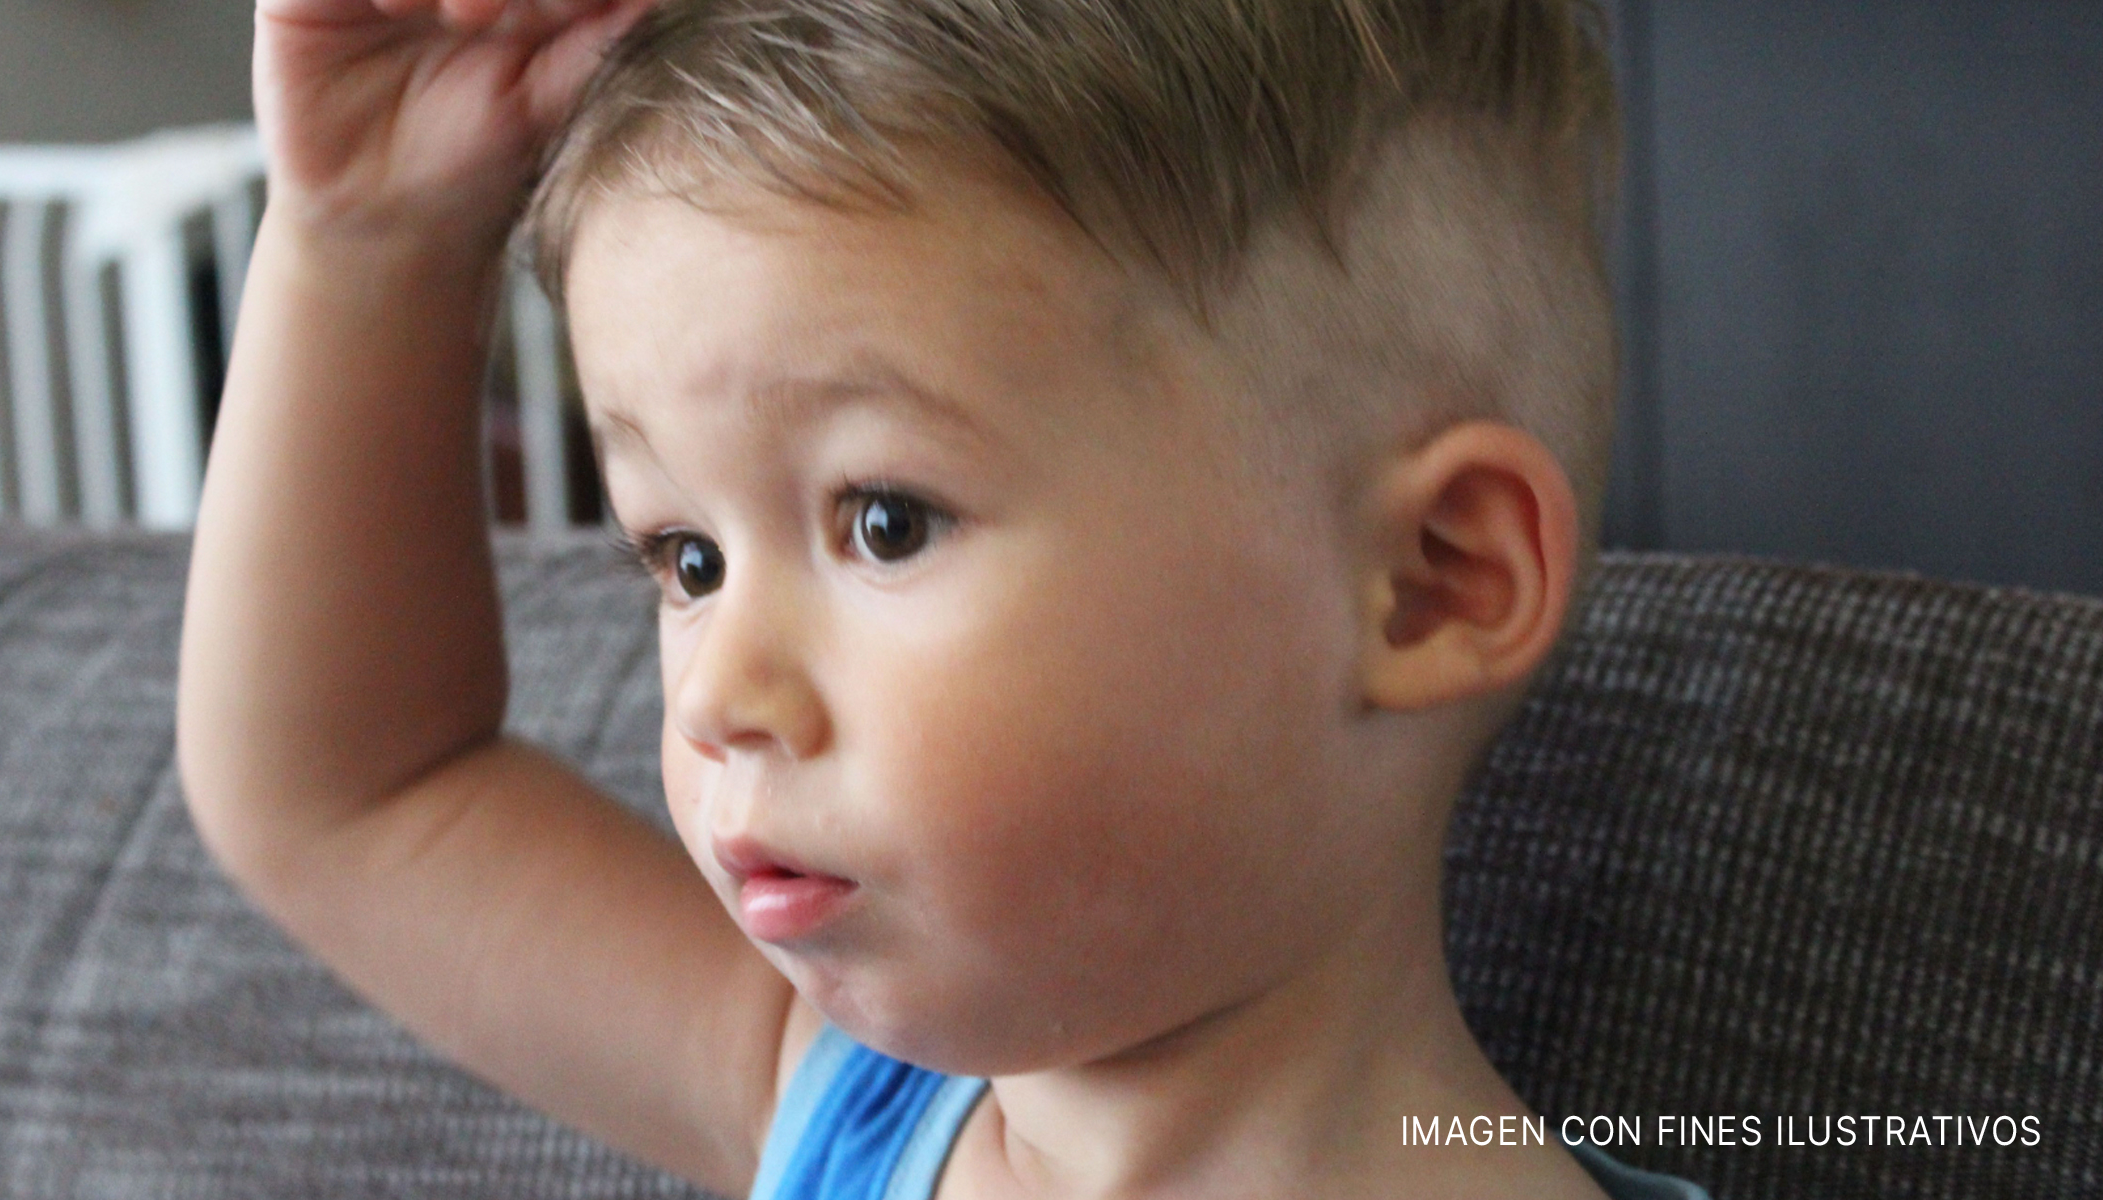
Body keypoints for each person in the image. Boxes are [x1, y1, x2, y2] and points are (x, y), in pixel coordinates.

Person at [177, 0, 1709, 1196]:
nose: (719, 698)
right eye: (686, 559)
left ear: (1431, 585)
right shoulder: (843, 1106)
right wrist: (363, 235)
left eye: (885, 521)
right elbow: (352, 791)